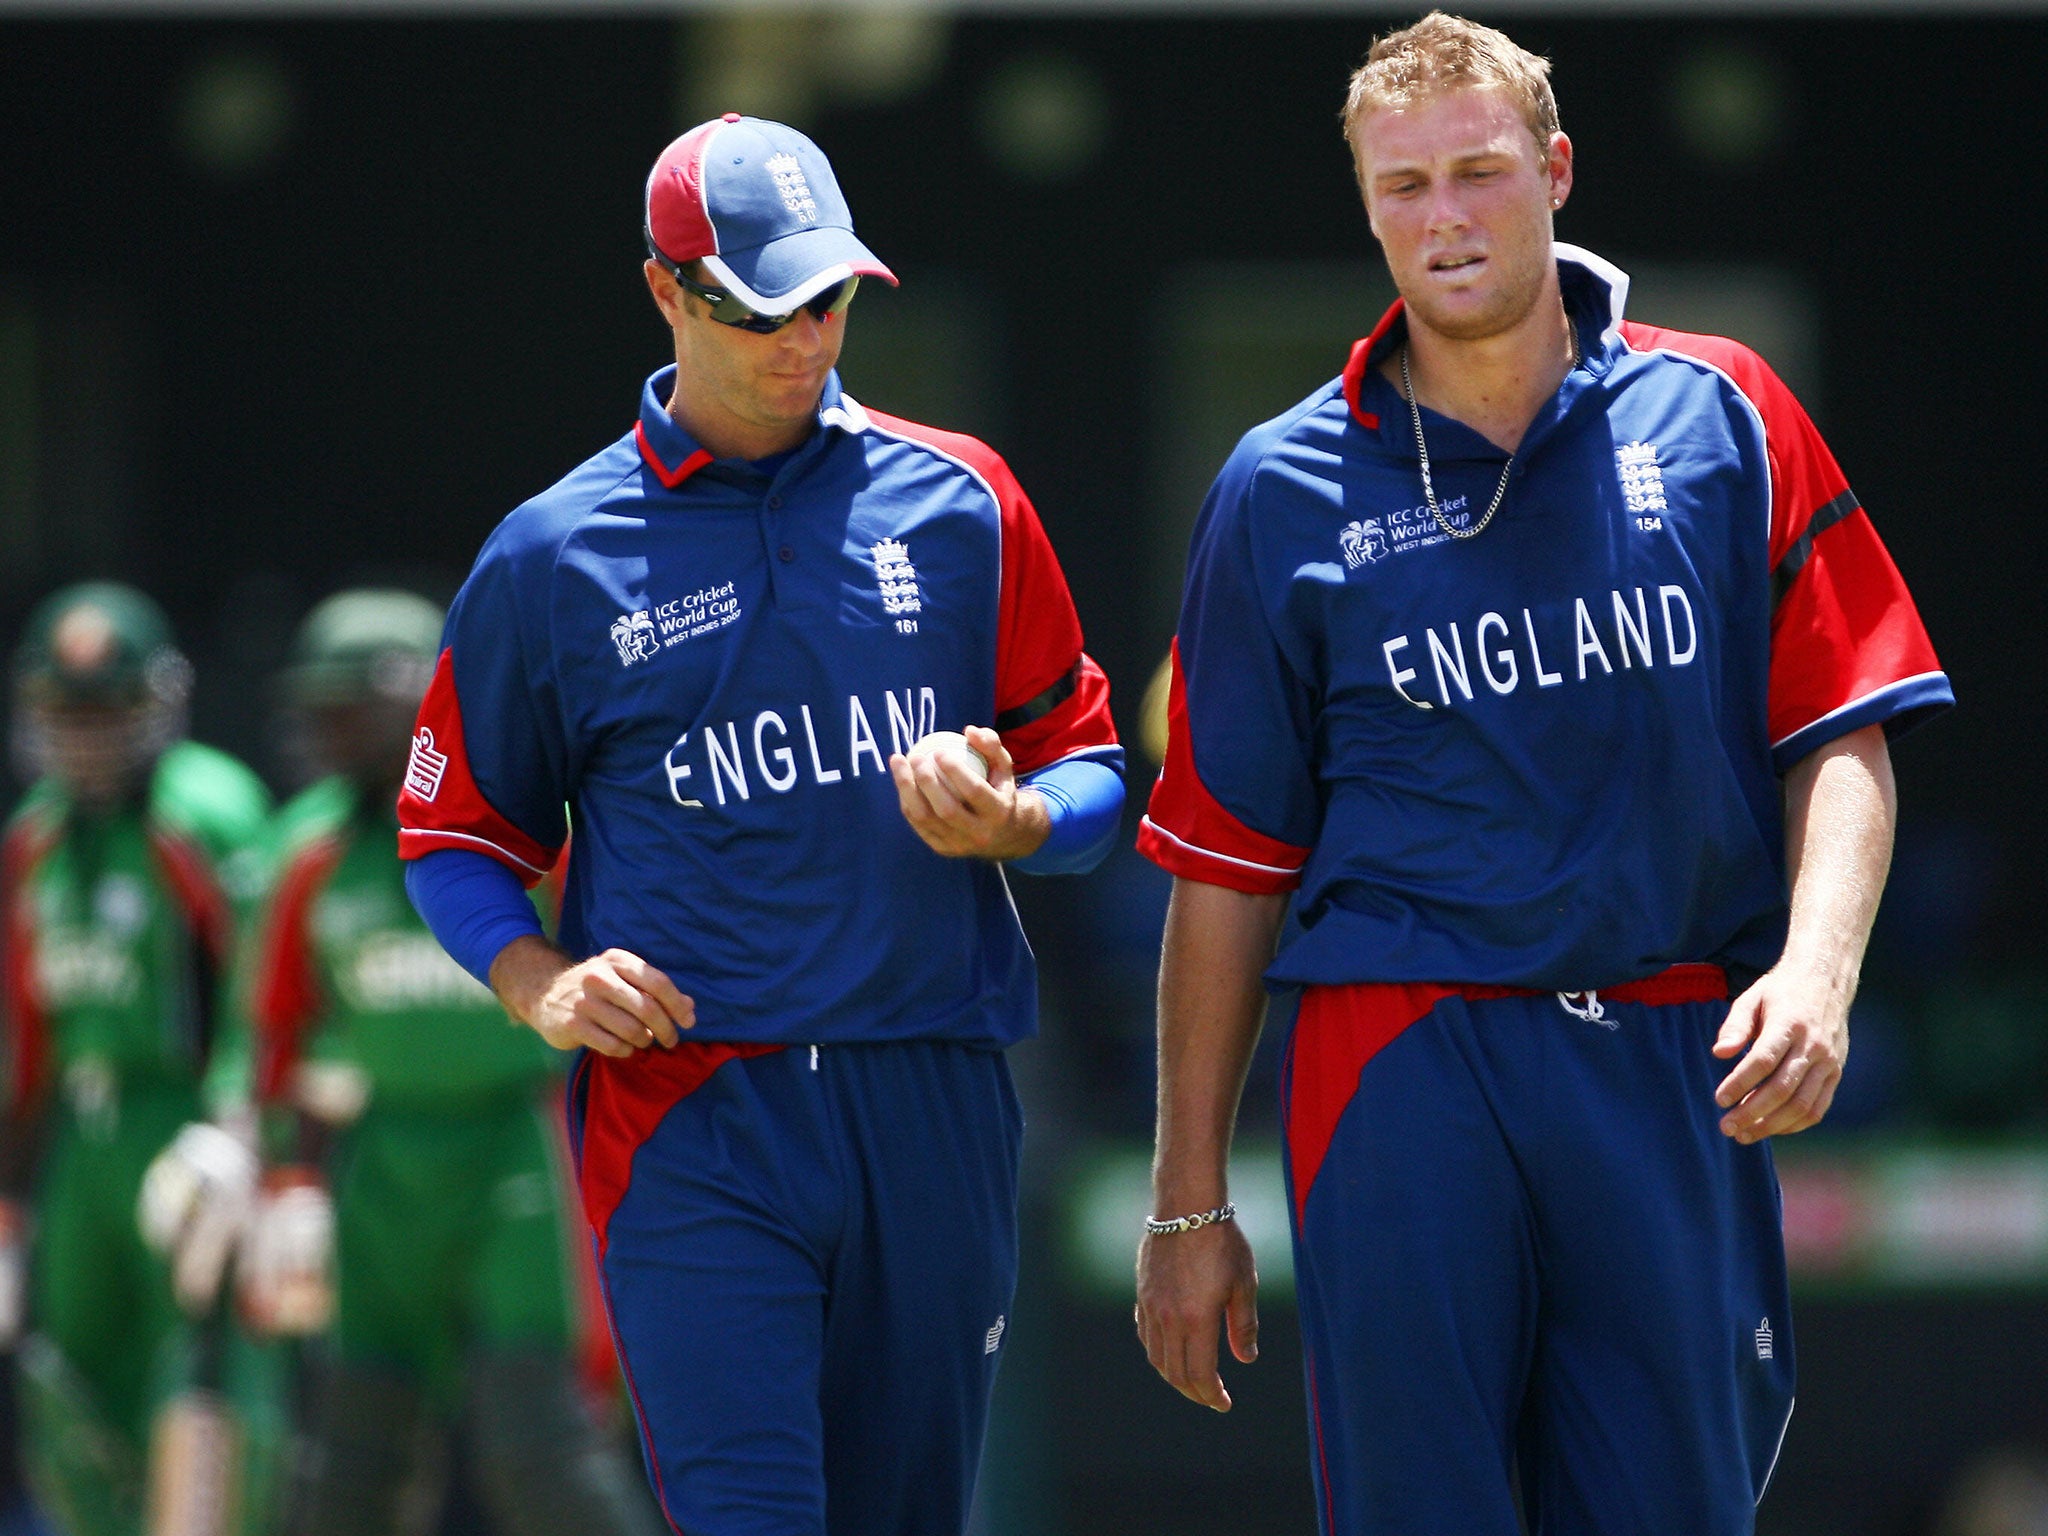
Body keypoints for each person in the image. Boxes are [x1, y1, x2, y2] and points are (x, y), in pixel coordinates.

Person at [1132, 14, 1952, 1534]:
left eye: (1480, 173)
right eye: (1402, 189)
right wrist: (1189, 1197)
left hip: (1663, 1050)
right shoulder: (1276, 486)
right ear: (1367, 204)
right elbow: (1227, 868)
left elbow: (1844, 725)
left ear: (1557, 170)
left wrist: (1820, 974)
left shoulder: (1726, 412)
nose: (1443, 220)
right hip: (1401, 1056)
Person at [395, 115, 1124, 1535]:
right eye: (760, 304)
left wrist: (1022, 820)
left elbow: (1092, 770)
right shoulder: (553, 555)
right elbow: (456, 833)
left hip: (933, 1092)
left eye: (833, 296)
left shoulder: (963, 499)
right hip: (695, 1114)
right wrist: (541, 983)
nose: (806, 337)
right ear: (668, 291)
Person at [143, 588, 663, 1536]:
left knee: (541, 1449)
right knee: (347, 1457)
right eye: (314, 708)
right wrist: (269, 1162)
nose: (323, 730)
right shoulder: (308, 848)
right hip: (378, 1159)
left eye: (348, 707)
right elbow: (268, 1027)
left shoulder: (539, 829)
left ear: (422, 699)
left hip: (523, 1144)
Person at [0, 583, 278, 1536]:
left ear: (156, 706)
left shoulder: (207, 810)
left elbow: (262, 987)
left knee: (199, 1385)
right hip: (78, 1138)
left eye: (109, 712)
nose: (86, 737)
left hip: (180, 1127)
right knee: (62, 1382)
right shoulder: (33, 835)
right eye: (66, 714)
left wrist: (238, 1124)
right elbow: (23, 1028)